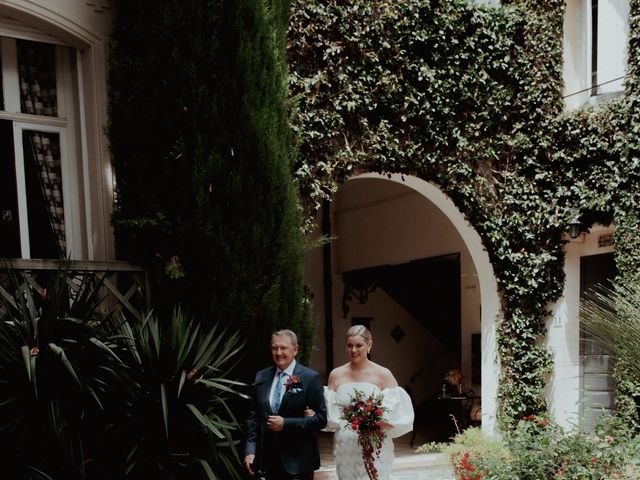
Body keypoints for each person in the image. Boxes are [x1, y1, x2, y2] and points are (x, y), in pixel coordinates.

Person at [322, 325, 414, 479]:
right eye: (349, 345)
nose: (354, 350)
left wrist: (373, 422)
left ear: (369, 345)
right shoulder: (336, 375)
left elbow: (396, 414)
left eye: (359, 345)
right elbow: (330, 412)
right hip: (346, 445)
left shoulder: (383, 374)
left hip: (374, 443)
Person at [244, 329, 327, 479]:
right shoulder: (261, 376)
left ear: (295, 350)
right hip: (268, 462)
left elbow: (321, 419)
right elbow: (254, 417)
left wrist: (286, 423)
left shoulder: (310, 378)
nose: (278, 352)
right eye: (274, 348)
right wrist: (250, 450)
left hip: (299, 463)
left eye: (283, 348)